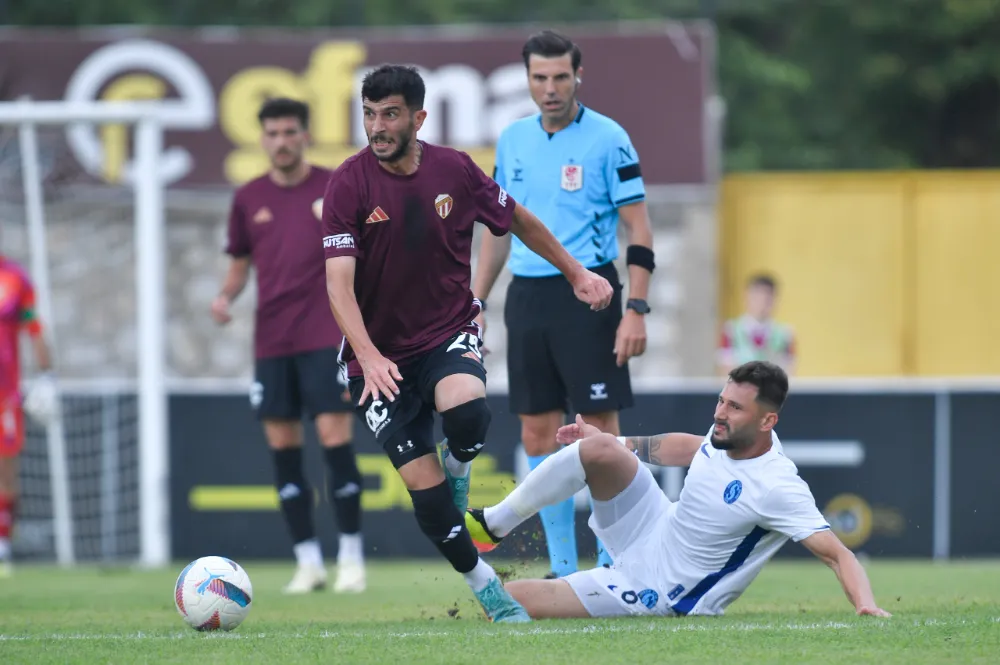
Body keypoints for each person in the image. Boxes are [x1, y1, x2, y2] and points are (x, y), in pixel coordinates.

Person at [322, 64, 613, 623]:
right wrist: (368, 355)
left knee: (470, 413)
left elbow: (519, 220)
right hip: (376, 359)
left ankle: (460, 466)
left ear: (419, 118)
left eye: (389, 114)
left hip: (446, 332)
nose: (376, 127)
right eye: (368, 114)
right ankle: (488, 589)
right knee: (429, 502)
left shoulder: (454, 170)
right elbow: (337, 286)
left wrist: (577, 273)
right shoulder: (348, 182)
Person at [465, 361, 892, 619]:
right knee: (598, 446)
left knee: (504, 603)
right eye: (722, 400)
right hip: (652, 527)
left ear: (767, 423)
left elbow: (839, 555)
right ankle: (492, 524)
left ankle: (506, 580)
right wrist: (620, 443)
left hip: (663, 589)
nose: (721, 413)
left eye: (734, 407)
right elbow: (692, 447)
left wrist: (865, 603)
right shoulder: (726, 432)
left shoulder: (777, 486)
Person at [472, 29, 656, 578]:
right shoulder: (512, 140)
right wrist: (475, 299)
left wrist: (636, 308)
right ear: (526, 79)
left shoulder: (609, 138)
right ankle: (560, 565)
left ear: (578, 75)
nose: (550, 88)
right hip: (528, 297)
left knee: (598, 430)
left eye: (559, 77)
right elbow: (500, 229)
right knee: (536, 433)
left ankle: (610, 561)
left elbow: (639, 227)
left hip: (591, 293)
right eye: (539, 78)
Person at [212, 97, 365, 595]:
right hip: (272, 342)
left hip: (326, 337)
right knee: (283, 453)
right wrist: (224, 296)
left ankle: (351, 558)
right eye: (272, 133)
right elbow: (240, 264)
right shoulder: (248, 197)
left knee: (335, 443)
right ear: (263, 139)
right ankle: (308, 563)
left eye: (289, 132)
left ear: (305, 135)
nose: (281, 142)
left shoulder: (333, 186)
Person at [0, 255, 58, 577]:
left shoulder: (15, 278)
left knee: (7, 464)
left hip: (5, 390)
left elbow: (34, 327)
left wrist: (48, 375)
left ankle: (3, 543)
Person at [717, 273, 796, 376]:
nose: (762, 303)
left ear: (775, 300)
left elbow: (789, 372)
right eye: (757, 296)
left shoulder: (785, 334)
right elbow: (725, 371)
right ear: (746, 297)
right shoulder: (730, 331)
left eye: (767, 298)